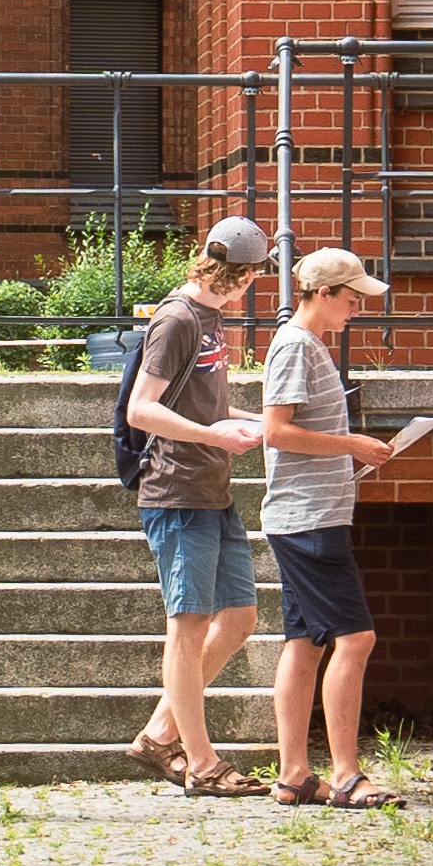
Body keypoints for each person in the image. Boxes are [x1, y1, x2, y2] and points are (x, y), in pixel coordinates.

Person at [120, 216, 277, 797]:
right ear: (243, 273)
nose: (254, 286)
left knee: (238, 619)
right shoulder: (178, 319)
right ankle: (202, 764)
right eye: (255, 275)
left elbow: (206, 406)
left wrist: (261, 423)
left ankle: (160, 734)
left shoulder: (211, 318)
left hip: (214, 490)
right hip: (178, 492)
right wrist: (215, 437)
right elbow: (142, 409)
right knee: (188, 627)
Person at [261, 248, 405, 809]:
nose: (357, 310)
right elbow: (276, 431)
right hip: (309, 519)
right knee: (356, 638)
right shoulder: (297, 345)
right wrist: (351, 446)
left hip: (308, 513)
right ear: (322, 294)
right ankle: (346, 774)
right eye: (351, 299)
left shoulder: (306, 344)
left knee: (304, 644)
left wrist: (350, 456)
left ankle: (294, 775)